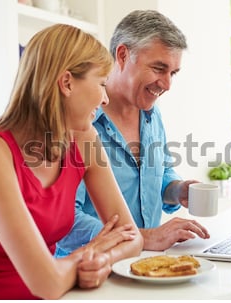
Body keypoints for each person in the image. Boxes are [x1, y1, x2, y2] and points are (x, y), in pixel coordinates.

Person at [0, 24, 143, 300]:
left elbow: (132, 238)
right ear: (66, 83)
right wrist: (85, 256)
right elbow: (48, 283)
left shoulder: (83, 139)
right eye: (101, 83)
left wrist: (102, 259)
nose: (105, 98)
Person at [56, 10, 210, 256]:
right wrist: (142, 237)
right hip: (91, 270)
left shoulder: (151, 114)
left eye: (173, 73)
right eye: (159, 68)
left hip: (143, 264)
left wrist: (177, 190)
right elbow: (64, 222)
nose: (167, 84)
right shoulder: (80, 120)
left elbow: (160, 174)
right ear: (123, 55)